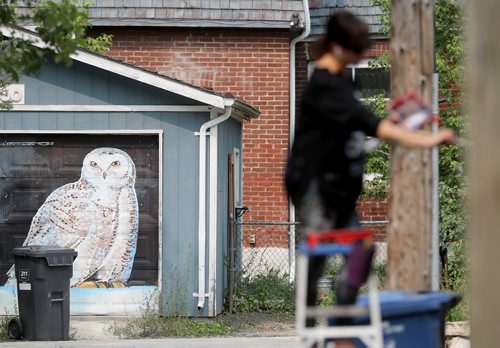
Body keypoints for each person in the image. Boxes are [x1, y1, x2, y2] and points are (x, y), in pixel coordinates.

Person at [285, 10, 454, 342]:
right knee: (318, 251)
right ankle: (309, 324)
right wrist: (431, 138)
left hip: (341, 188)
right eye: (357, 49)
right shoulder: (322, 85)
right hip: (314, 188)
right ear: (336, 46)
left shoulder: (344, 81)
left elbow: (360, 133)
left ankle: (341, 325)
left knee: (363, 250)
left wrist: (401, 124)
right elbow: (373, 126)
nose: (362, 55)